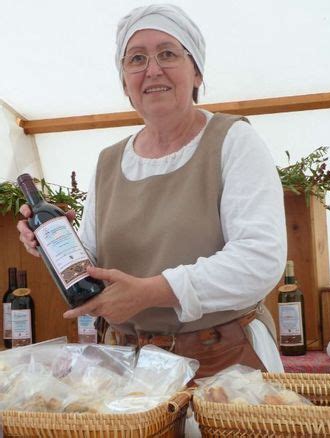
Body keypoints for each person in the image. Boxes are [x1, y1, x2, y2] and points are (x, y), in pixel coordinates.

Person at [17, 3, 286, 376]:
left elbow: (259, 260)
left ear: (196, 72)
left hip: (224, 365)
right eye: (136, 59)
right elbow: (94, 265)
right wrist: (54, 245)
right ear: (124, 81)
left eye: (168, 54)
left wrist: (155, 291)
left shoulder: (232, 141)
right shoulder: (108, 162)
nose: (152, 69)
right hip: (130, 369)